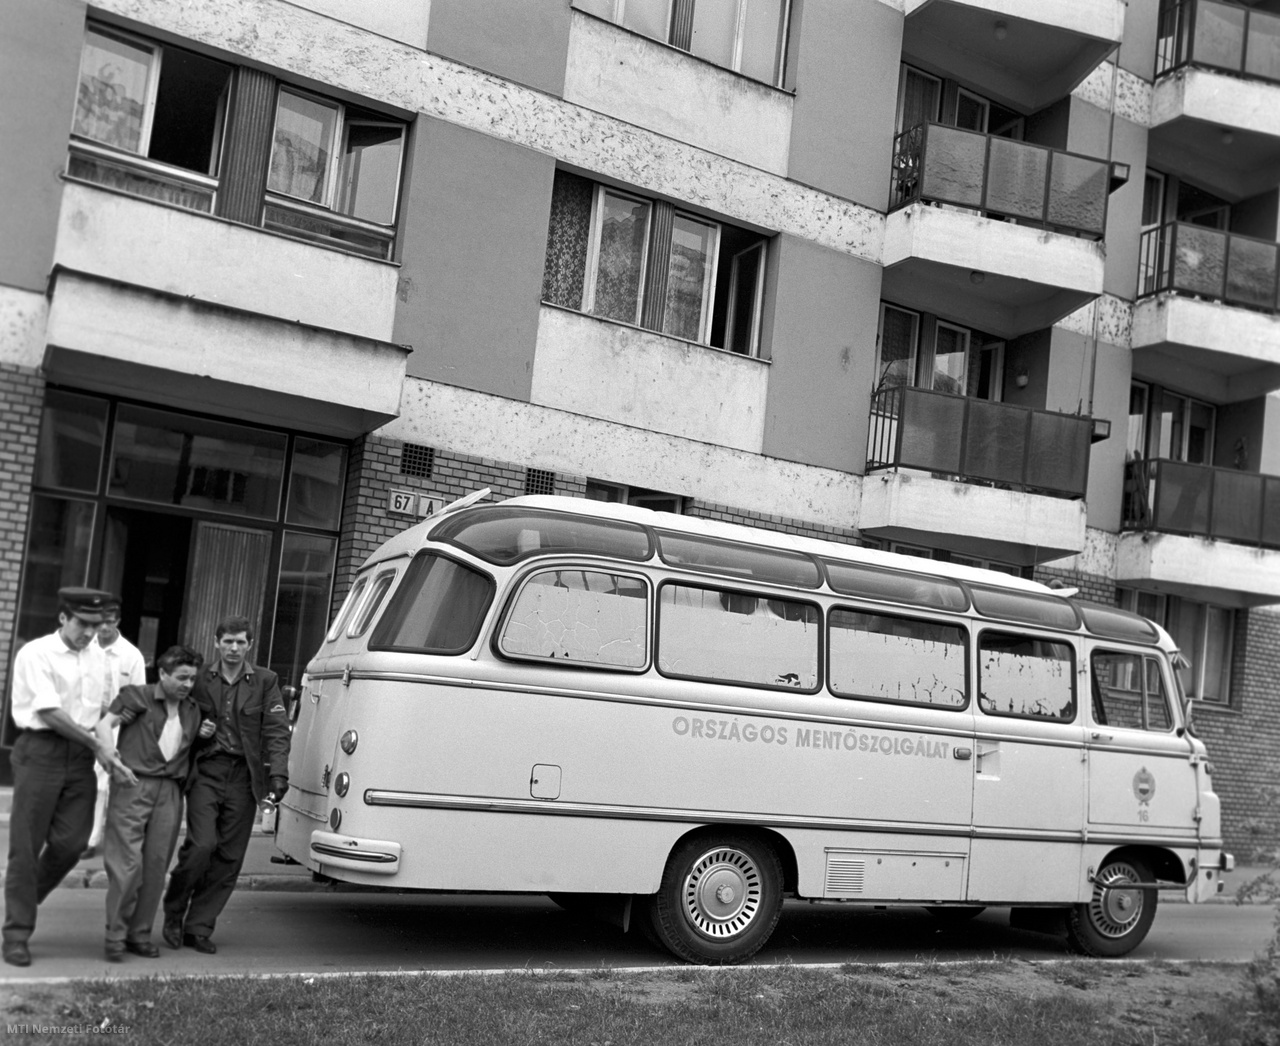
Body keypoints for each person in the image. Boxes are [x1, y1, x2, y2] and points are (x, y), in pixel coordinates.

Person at [3, 587, 136, 968]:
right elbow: (49, 713)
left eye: (97, 625)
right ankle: (16, 933)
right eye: (83, 624)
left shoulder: (98, 657)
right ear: (63, 618)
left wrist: (106, 747)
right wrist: (99, 747)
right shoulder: (36, 653)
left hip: (80, 756)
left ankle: (24, 900)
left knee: (72, 843)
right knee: (25, 849)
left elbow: (101, 711)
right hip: (40, 751)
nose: (90, 633)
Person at [162, 615, 290, 954]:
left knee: (229, 857)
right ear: (217, 642)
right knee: (202, 845)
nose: (234, 648)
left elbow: (276, 730)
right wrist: (198, 731)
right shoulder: (200, 678)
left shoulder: (265, 681)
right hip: (207, 770)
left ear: (250, 645)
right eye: (228, 641)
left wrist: (279, 774)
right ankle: (173, 913)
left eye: (240, 642)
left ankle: (198, 926)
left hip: (244, 777)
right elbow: (175, 716)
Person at [95, 645, 214, 962]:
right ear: (162, 674)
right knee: (127, 865)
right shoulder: (137, 696)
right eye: (181, 677)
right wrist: (111, 758)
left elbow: (184, 745)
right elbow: (104, 725)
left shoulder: (192, 709)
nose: (187, 684)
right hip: (133, 783)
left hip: (170, 792)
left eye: (192, 678)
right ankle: (115, 935)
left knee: (156, 865)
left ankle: (139, 935)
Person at [84, 601, 147, 861]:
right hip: (83, 724)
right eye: (99, 622)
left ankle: (91, 840)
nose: (103, 628)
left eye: (108, 622)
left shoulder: (131, 656)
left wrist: (121, 713)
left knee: (101, 784)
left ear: (117, 622)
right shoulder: (83, 649)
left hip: (116, 729)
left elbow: (139, 695)